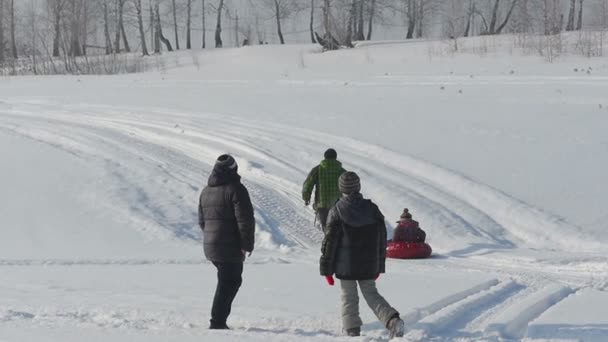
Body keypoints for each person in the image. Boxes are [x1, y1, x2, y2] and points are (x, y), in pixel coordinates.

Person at [320, 172, 405, 338]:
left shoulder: (336, 210)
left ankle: (352, 331)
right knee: (372, 294)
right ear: (358, 187)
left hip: (345, 266)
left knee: (348, 297)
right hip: (368, 263)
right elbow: (381, 240)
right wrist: (379, 265)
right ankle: (393, 320)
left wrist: (327, 270)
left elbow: (329, 243)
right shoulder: (372, 209)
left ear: (341, 188)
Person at [198, 154, 255, 330]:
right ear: (233, 169)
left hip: (212, 245)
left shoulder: (206, 190)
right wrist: (246, 244)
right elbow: (245, 220)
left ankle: (218, 320)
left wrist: (211, 237)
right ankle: (217, 322)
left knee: (228, 280)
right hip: (229, 246)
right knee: (230, 281)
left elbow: (202, 221)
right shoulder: (236, 189)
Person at [302, 148, 346, 233]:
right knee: (337, 226)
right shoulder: (342, 171)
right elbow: (349, 186)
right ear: (335, 157)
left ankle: (328, 243)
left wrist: (306, 197)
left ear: (325, 157)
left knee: (326, 227)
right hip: (338, 205)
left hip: (322, 205)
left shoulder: (317, 169)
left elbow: (308, 184)